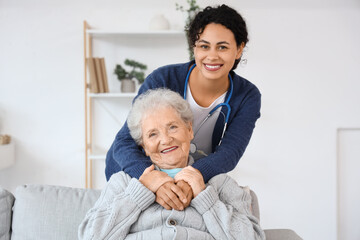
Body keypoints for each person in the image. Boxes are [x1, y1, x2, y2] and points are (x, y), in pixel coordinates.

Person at [105, 4, 261, 210]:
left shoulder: (247, 95)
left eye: (222, 47)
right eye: (204, 46)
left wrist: (192, 177)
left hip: (191, 174)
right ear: (194, 48)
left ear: (239, 49)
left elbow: (230, 152)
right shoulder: (162, 78)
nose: (212, 56)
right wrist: (153, 179)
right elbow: (125, 141)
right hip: (139, 172)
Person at [78, 89, 265, 240]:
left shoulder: (221, 185)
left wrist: (204, 197)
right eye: (153, 134)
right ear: (143, 146)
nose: (166, 140)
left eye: (173, 127)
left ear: (189, 130)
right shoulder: (122, 183)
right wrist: (138, 193)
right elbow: (90, 237)